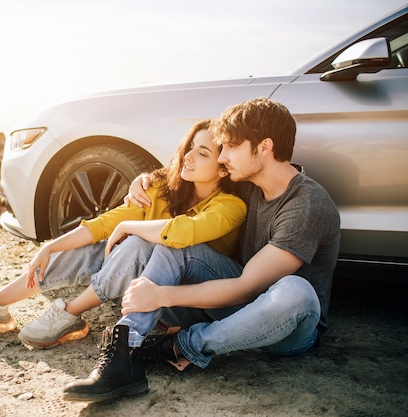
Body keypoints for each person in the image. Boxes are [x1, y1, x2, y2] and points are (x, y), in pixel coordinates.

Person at [63, 97, 341, 402]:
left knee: (295, 290)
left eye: (232, 147)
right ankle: (125, 351)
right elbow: (186, 175)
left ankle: (180, 345)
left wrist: (163, 296)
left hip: (287, 326)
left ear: (264, 147)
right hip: (234, 304)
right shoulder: (247, 182)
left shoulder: (305, 205)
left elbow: (246, 289)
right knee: (178, 247)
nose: (223, 158)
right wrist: (144, 181)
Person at [0, 119, 247, 349]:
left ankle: (70, 312)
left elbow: (183, 234)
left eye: (202, 152)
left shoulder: (231, 206)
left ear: (223, 168)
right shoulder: (161, 190)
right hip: (144, 295)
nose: (188, 156)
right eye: (190, 146)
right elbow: (105, 223)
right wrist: (50, 247)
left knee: (139, 242)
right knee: (91, 248)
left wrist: (128, 228)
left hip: (189, 305)